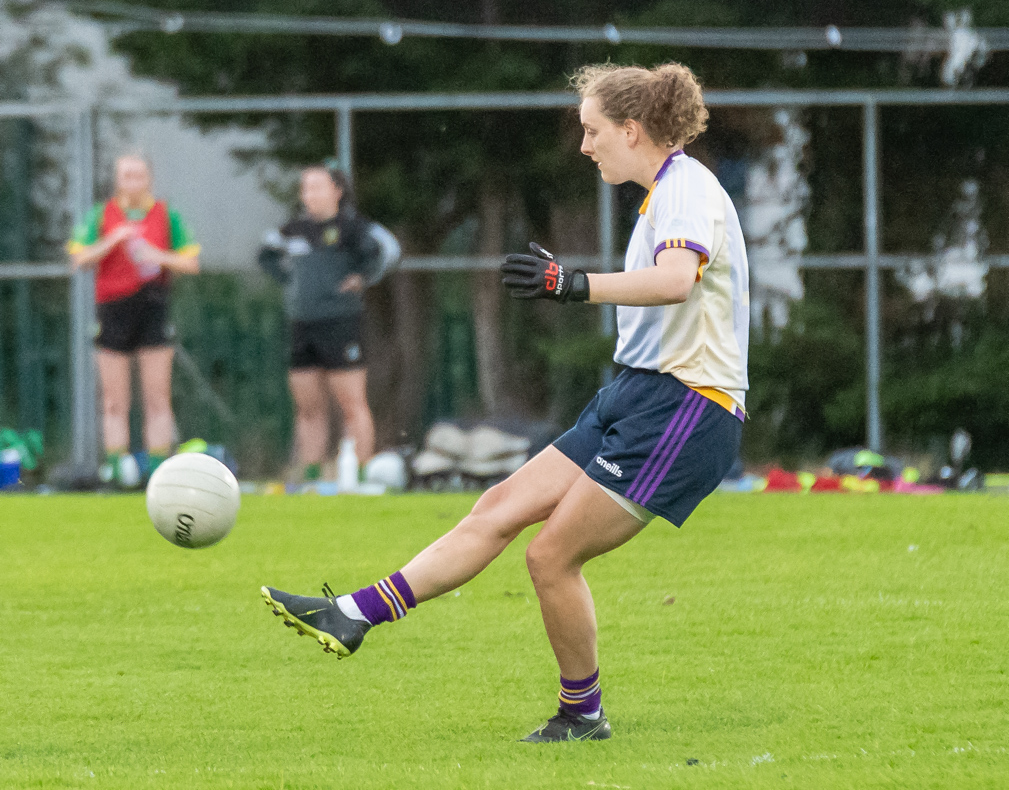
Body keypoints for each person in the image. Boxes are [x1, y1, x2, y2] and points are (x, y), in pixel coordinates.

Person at [261, 61, 749, 742]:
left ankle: (582, 714)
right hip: (637, 392)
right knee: (496, 508)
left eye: (592, 130)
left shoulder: (685, 191)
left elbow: (672, 281)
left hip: (684, 409)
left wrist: (573, 284)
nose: (584, 145)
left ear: (631, 130)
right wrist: (573, 285)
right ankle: (352, 613)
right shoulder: (663, 191)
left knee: (549, 557)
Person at [67, 153, 200, 485]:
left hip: (153, 306)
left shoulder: (165, 215)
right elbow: (79, 257)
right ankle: (117, 469)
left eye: (139, 176)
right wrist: (113, 239)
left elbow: (191, 262)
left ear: (149, 179)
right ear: (118, 179)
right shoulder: (102, 215)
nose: (133, 182)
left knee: (157, 395)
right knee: (114, 399)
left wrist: (158, 256)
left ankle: (158, 469)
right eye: (126, 176)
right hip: (113, 309)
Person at [258, 163, 386, 481]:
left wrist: (362, 278)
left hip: (341, 323)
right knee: (308, 408)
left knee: (352, 403)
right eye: (305, 188)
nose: (309, 194)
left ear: (336, 191)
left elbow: (382, 253)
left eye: (317, 186)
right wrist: (289, 280)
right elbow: (266, 254)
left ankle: (361, 474)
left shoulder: (352, 228)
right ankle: (312, 477)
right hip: (302, 325)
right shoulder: (294, 230)